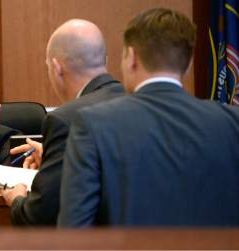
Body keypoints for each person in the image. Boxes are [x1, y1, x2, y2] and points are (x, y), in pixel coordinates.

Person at [58, 8, 239, 227]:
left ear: (131, 57)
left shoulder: (92, 125)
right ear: (189, 64)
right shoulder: (231, 122)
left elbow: (74, 234)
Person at [1, 19, 125, 225]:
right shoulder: (138, 103)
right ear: (106, 60)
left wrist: (17, 200)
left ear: (57, 68)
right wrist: (57, 158)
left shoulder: (65, 120)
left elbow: (40, 216)